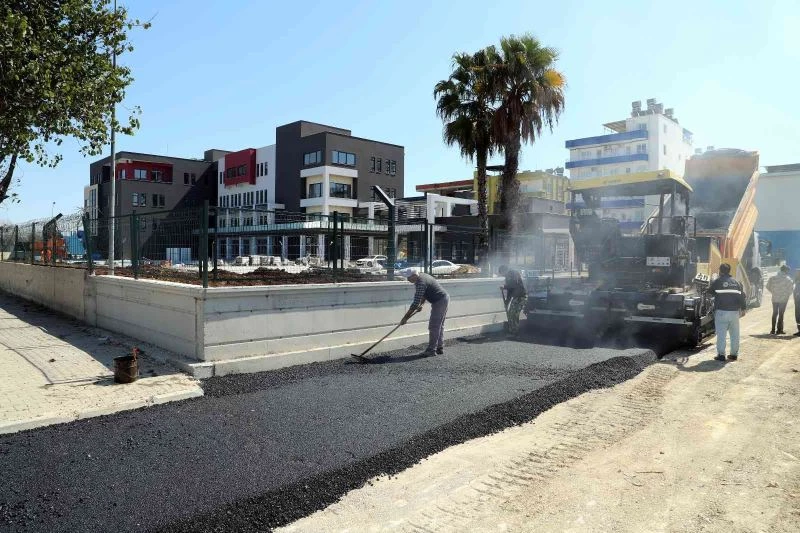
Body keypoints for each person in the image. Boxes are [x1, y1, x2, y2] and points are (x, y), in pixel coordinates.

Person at [399, 268, 449, 357]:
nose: (408, 280)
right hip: (443, 298)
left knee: (434, 326)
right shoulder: (422, 276)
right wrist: (421, 304)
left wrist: (405, 318)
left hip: (439, 301)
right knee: (439, 325)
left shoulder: (421, 283)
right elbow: (424, 294)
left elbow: (414, 304)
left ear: (414, 275)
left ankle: (431, 350)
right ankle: (439, 347)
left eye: (409, 278)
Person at [708, 263, 747, 361]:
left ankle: (721, 355)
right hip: (734, 313)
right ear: (729, 271)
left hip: (721, 312)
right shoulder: (737, 282)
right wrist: (743, 309)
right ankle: (734, 354)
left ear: (720, 271)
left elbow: (710, 292)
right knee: (734, 334)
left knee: (721, 334)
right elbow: (742, 297)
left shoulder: (718, 281)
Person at [498, 265, 527, 336]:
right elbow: (510, 291)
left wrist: (504, 286)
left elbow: (514, 284)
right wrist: (507, 302)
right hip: (515, 297)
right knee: (511, 313)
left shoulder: (514, 273)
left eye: (502, 273)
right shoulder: (507, 277)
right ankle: (512, 330)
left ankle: (515, 331)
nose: (503, 275)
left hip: (521, 296)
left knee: (514, 314)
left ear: (504, 270)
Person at [766, 265, 794, 335]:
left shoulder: (772, 278)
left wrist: (774, 292)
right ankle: (779, 330)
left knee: (774, 313)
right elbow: (791, 290)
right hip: (783, 300)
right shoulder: (788, 279)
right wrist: (786, 295)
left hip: (775, 299)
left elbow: (767, 286)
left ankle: (772, 330)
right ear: (785, 271)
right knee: (781, 314)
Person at [794, 270, 800, 337]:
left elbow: (797, 294)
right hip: (797, 303)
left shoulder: (798, 284)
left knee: (798, 317)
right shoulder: (797, 283)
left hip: (798, 303)